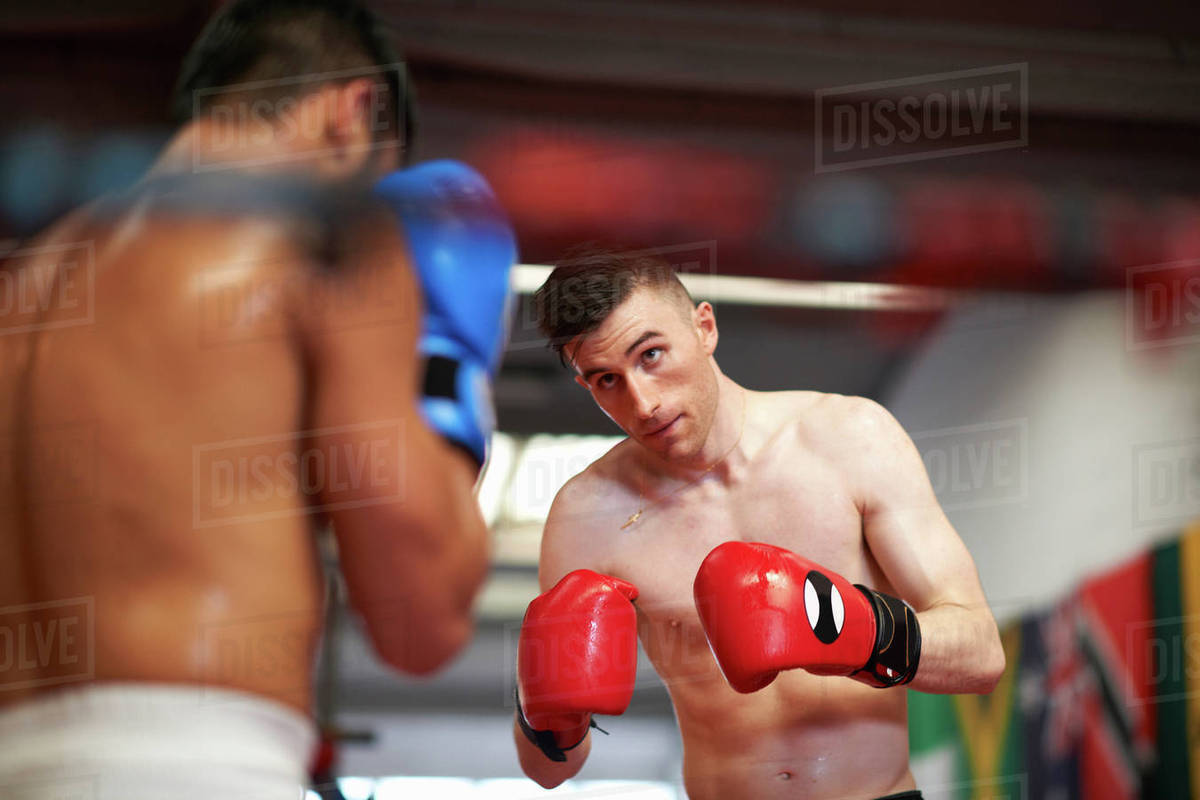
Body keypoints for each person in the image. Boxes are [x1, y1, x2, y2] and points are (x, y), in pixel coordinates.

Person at [0, 1, 512, 798]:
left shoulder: (28, 277)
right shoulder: (326, 233)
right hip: (198, 766)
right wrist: (452, 372)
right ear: (355, 113)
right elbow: (423, 619)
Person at [513, 250, 1006, 800]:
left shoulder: (849, 438)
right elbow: (548, 771)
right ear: (586, 386)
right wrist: (549, 719)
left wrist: (857, 629)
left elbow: (982, 655)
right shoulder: (586, 516)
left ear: (704, 327)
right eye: (607, 380)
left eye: (651, 354)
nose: (643, 403)